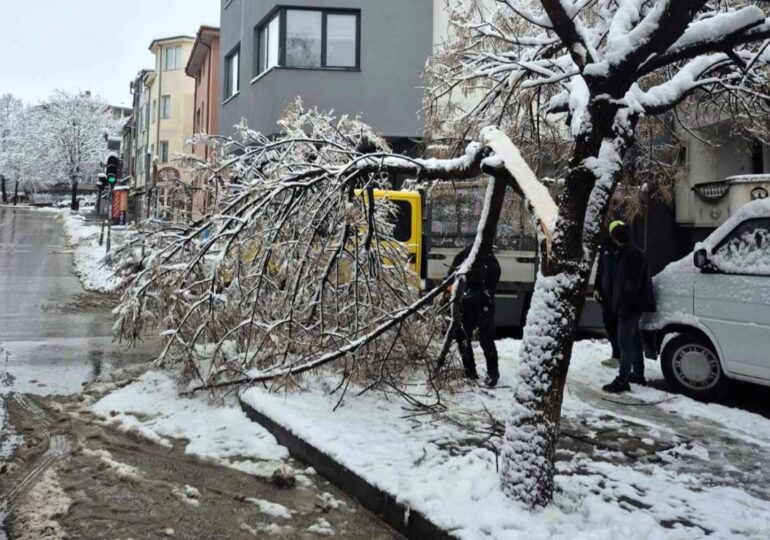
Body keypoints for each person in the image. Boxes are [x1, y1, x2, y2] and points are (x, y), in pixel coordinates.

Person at [602, 222, 656, 393]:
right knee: (634, 340)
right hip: (633, 304)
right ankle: (638, 374)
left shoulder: (630, 255)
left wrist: (623, 306)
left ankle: (622, 379)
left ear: (616, 238)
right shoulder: (631, 252)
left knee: (624, 342)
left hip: (629, 305)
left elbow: (631, 285)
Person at [448, 245, 501, 387]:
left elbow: (490, 288)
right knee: (463, 336)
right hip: (467, 305)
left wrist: (472, 295)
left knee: (486, 338)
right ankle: (470, 371)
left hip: (484, 304)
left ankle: (493, 374)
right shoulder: (464, 256)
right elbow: (450, 278)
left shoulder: (492, 265)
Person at [593, 224, 622, 365]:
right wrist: (597, 287)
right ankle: (616, 354)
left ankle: (622, 357)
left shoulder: (626, 249)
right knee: (610, 325)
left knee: (621, 326)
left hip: (620, 295)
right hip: (606, 293)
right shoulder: (606, 246)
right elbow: (601, 268)